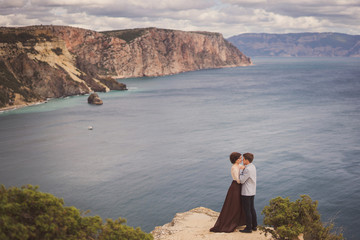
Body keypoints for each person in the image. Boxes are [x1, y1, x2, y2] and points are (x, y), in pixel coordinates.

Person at [210, 152, 246, 232]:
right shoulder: (234, 167)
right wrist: (245, 179)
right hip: (236, 186)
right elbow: (238, 180)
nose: (241, 159)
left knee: (239, 204)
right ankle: (231, 223)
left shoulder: (238, 166)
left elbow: (244, 167)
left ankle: (238, 222)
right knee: (234, 205)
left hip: (238, 186)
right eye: (240, 158)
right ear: (236, 160)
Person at [239, 152, 257, 233]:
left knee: (247, 210)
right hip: (252, 190)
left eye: (243, 158)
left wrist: (240, 171)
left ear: (247, 160)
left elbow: (242, 180)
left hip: (246, 192)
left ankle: (248, 228)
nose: (242, 160)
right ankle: (254, 226)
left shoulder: (247, 169)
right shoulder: (253, 167)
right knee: (252, 208)